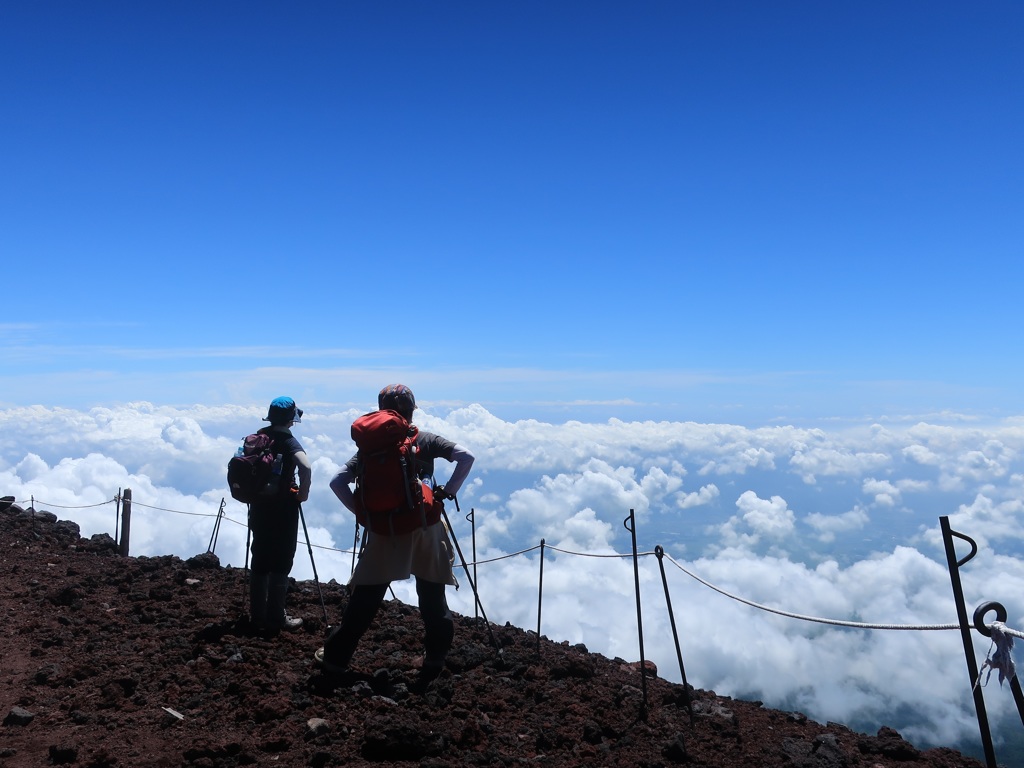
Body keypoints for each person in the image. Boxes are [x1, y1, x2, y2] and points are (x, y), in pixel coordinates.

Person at [316, 384, 474, 678]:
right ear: (413, 409)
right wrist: (446, 493)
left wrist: (364, 514)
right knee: (433, 597)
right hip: (426, 527)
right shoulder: (424, 439)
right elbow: (466, 457)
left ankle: (335, 659)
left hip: (385, 530)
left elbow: (337, 482)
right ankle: (434, 663)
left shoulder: (370, 448)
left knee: (366, 599)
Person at [248, 396, 312, 635]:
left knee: (260, 557)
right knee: (282, 560)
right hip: (283, 509)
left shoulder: (259, 438)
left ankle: (257, 616)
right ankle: (276, 617)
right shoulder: (289, 442)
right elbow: (305, 467)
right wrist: (301, 495)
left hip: (258, 507)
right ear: (291, 419)